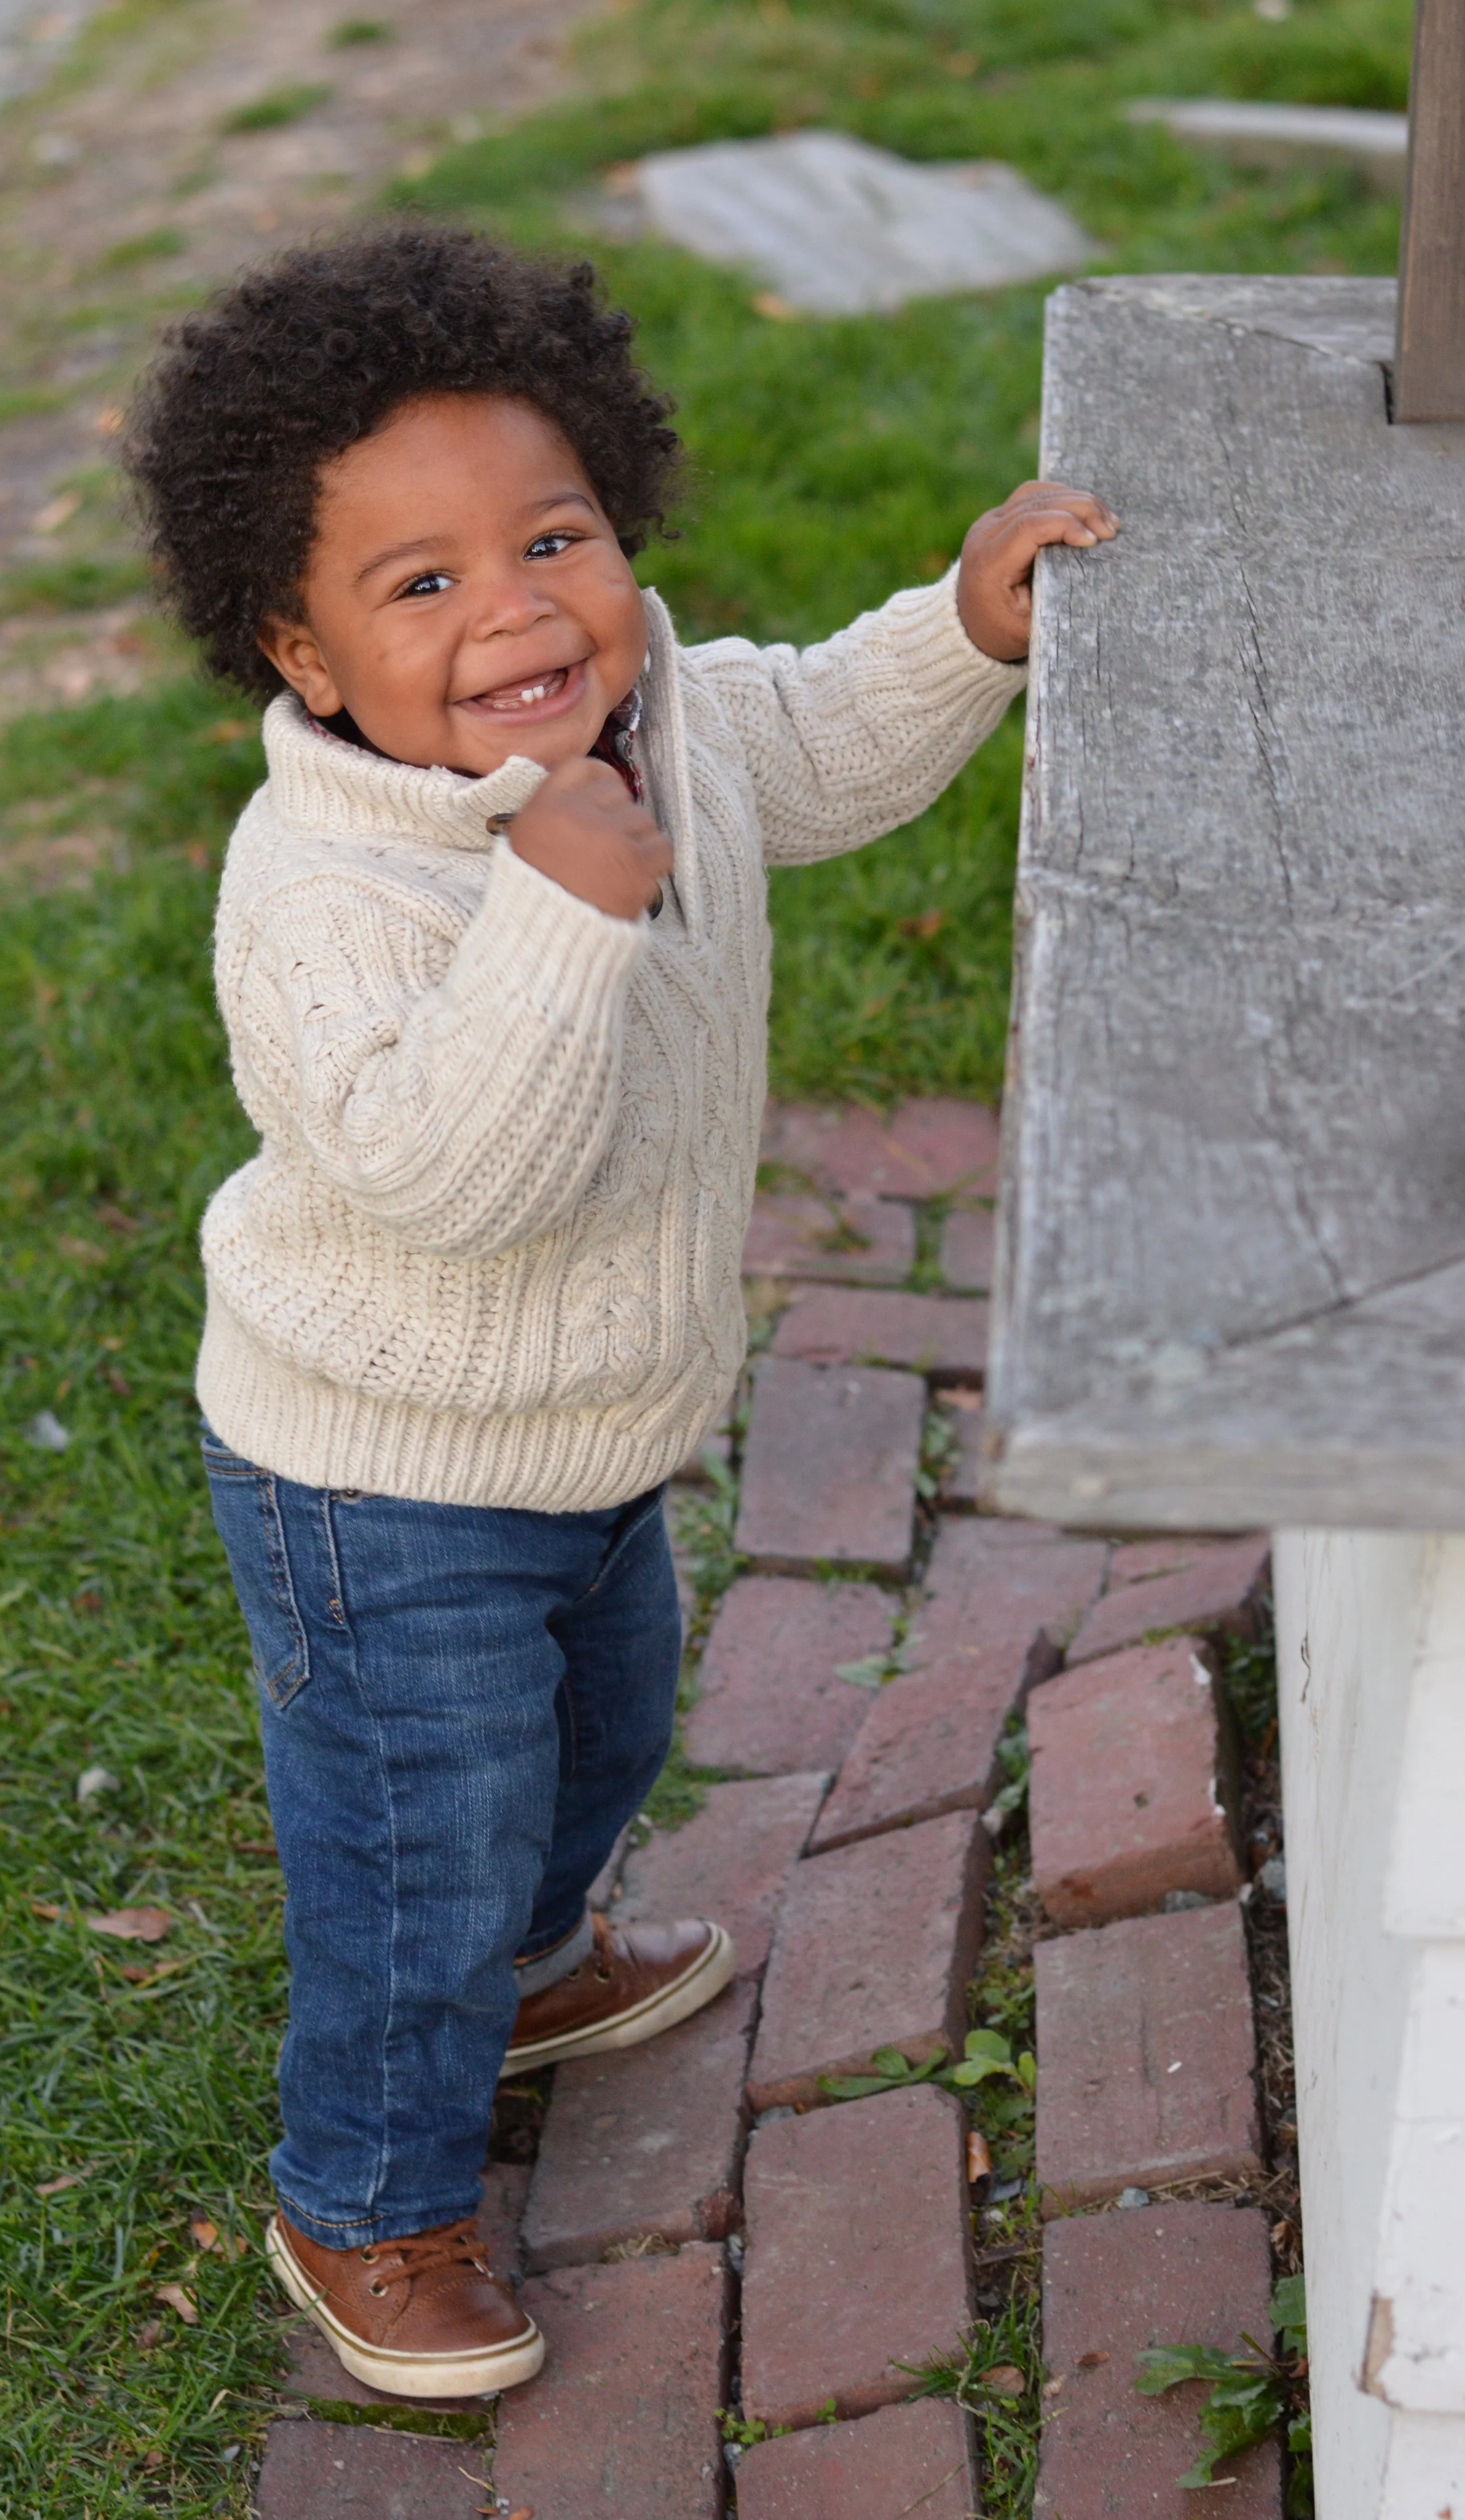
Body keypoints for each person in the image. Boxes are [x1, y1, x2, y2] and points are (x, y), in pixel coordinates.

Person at [124, 221, 1117, 2402]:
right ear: (299, 651)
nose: (514, 613)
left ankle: (543, 1961)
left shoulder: (670, 715)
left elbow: (821, 736)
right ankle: (366, 2199)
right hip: (376, 1475)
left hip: (593, 1432)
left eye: (551, 537)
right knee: (417, 1838)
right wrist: (561, 917)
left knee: (599, 1728)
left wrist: (962, 630)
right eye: (421, 587)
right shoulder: (328, 892)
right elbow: (448, 1184)